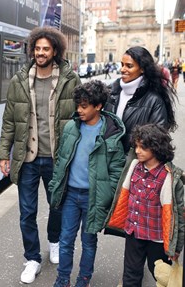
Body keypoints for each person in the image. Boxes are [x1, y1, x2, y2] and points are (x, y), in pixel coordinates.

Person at [0, 26, 81, 284]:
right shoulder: (19, 81)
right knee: (26, 212)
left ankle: (54, 241)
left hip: (57, 158)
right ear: (32, 50)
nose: (41, 53)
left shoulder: (70, 79)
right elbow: (9, 120)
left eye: (46, 48)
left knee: (57, 206)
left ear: (55, 50)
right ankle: (32, 258)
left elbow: (81, 116)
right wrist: (3, 154)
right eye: (37, 48)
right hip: (28, 158)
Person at [49, 80, 126, 287]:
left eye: (84, 106)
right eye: (78, 105)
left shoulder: (111, 134)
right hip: (71, 195)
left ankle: (84, 280)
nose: (79, 110)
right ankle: (62, 279)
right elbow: (61, 161)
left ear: (98, 106)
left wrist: (106, 194)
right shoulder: (71, 128)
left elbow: (116, 170)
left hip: (93, 197)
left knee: (89, 241)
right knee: (65, 240)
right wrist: (54, 185)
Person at [106, 124, 184, 287]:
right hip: (134, 233)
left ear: (156, 148)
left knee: (161, 276)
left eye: (143, 147)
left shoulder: (168, 177)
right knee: (130, 275)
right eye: (136, 146)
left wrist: (176, 247)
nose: (137, 150)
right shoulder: (133, 167)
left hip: (156, 238)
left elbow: (179, 215)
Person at [104, 46, 177, 154]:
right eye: (122, 65)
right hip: (108, 162)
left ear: (142, 68)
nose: (123, 69)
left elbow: (157, 141)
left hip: (134, 165)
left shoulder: (154, 101)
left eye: (129, 66)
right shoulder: (111, 92)